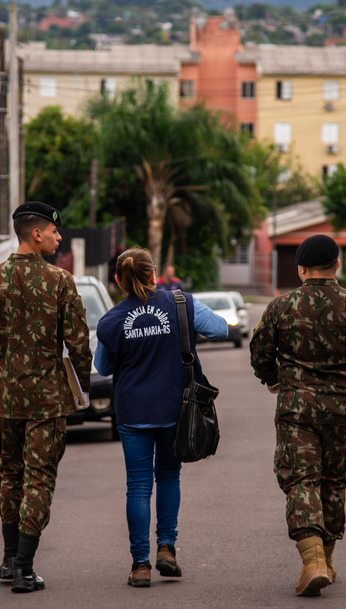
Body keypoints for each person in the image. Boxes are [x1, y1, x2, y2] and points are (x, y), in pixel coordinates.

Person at [250, 234, 346, 598]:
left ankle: (313, 560)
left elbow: (259, 353)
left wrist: (274, 380)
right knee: (333, 482)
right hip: (341, 410)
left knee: (301, 480)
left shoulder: (282, 306)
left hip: (296, 409)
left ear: (301, 268)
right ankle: (327, 560)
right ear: (337, 265)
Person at [0, 201, 92, 594]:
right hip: (47, 402)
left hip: (6, 401)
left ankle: (7, 559)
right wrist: (82, 384)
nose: (59, 236)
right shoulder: (60, 281)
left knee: (10, 474)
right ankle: (24, 567)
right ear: (36, 233)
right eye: (54, 230)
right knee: (39, 479)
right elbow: (79, 344)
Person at [93, 248, 228, 588]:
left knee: (137, 486)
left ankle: (140, 565)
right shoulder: (180, 304)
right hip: (175, 408)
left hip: (132, 411)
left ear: (118, 281)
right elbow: (221, 329)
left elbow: (103, 367)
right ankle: (166, 548)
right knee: (168, 476)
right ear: (154, 275)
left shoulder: (111, 321)